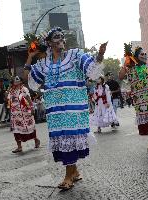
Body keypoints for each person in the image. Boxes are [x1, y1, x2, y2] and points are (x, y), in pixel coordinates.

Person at [24, 27, 106, 190]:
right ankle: (74, 171)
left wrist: (100, 55)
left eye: (62, 37)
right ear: (48, 42)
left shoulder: (75, 56)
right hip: (55, 114)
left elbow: (92, 71)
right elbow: (31, 82)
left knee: (69, 141)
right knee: (63, 143)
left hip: (73, 111)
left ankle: (68, 176)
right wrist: (30, 57)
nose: (61, 39)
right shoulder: (43, 64)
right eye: (56, 37)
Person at [8, 76, 40, 153]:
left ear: (21, 82)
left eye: (17, 81)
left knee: (29, 128)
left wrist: (32, 108)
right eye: (14, 81)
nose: (16, 82)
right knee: (16, 130)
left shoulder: (24, 89)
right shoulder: (11, 90)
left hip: (25, 113)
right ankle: (19, 147)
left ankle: (36, 140)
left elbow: (28, 99)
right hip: (15, 114)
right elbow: (9, 100)